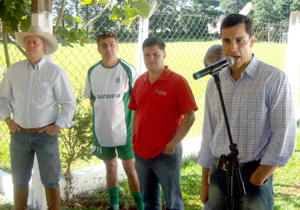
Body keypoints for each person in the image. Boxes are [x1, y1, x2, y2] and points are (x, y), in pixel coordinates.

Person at [198, 14, 296, 210]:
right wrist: (205, 180)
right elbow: (209, 131)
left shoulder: (274, 79)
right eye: (226, 40)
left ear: (252, 41)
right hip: (219, 175)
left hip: (253, 176)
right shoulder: (215, 82)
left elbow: (283, 134)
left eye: (239, 40)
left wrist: (259, 177)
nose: (232, 47)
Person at [0, 25, 77, 209]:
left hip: (46, 135)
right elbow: (1, 98)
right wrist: (8, 121)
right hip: (19, 134)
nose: (31, 45)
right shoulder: (14, 71)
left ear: (44, 46)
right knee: (19, 180)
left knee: (51, 181)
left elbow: (69, 103)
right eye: (28, 42)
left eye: (35, 42)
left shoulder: (55, 72)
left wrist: (56, 126)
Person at [128, 36, 198, 210]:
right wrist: (134, 138)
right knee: (149, 201)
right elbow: (136, 112)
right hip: (141, 152)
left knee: (173, 201)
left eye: (156, 54)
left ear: (164, 55)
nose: (151, 58)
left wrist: (173, 144)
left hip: (166, 153)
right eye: (147, 55)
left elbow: (190, 116)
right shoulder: (139, 82)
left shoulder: (177, 82)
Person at [83, 31, 143, 210]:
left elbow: (138, 100)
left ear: (117, 46)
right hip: (103, 131)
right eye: (104, 45)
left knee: (131, 170)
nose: (108, 48)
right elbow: (92, 99)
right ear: (98, 48)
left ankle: (141, 206)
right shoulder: (93, 71)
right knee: (110, 167)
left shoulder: (127, 69)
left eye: (111, 44)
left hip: (126, 131)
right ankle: (114, 206)